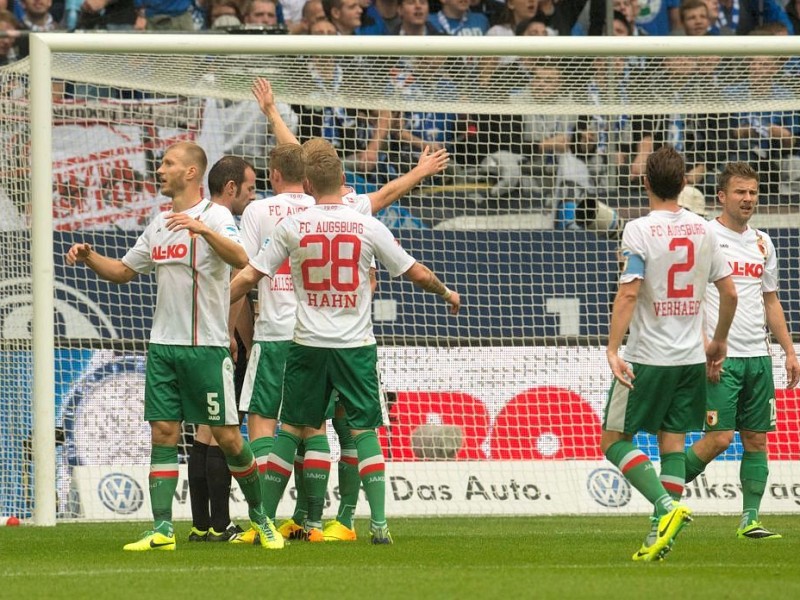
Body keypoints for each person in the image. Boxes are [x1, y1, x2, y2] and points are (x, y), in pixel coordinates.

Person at [232, 78, 449, 544]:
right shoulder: (359, 213)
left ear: (306, 181)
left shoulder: (290, 219)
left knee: (292, 426)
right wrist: (419, 174)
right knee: (355, 430)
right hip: (354, 342)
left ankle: (274, 518)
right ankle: (352, 520)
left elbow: (250, 274)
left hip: (300, 337)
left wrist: (272, 113)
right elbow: (389, 200)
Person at [65, 141, 284, 551]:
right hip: (164, 348)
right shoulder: (160, 222)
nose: (160, 169)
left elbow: (242, 258)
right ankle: (163, 529)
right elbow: (124, 271)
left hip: (206, 348)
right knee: (163, 433)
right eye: (161, 163)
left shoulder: (217, 215)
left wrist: (204, 231)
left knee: (229, 439)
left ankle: (261, 517)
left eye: (168, 163)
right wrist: (91, 256)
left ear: (190, 173)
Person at [601, 145, 737, 562]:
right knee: (673, 444)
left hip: (648, 356)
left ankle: (664, 506)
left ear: (645, 182)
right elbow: (729, 292)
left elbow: (628, 292)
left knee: (612, 439)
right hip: (692, 358)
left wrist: (611, 348)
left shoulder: (638, 230)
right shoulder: (705, 229)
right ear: (683, 184)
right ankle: (660, 540)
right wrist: (718, 341)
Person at [683, 162, 799, 539]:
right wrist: (703, 346)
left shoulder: (763, 242)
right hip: (721, 357)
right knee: (719, 438)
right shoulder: (704, 237)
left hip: (758, 358)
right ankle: (662, 495)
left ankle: (750, 519)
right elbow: (691, 295)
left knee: (757, 439)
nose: (748, 199)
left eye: (752, 192)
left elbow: (771, 301)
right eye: (740, 192)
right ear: (721, 196)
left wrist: (789, 350)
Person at [187, 155, 258, 543]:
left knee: (203, 431)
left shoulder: (197, 217)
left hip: (197, 336)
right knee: (222, 433)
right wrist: (231, 334)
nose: (252, 195)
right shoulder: (224, 222)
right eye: (249, 189)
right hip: (221, 338)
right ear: (230, 188)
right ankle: (221, 523)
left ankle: (201, 525)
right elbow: (233, 280)